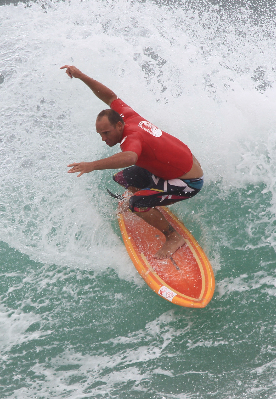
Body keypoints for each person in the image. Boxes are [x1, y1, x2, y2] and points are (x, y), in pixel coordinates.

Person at [62, 65, 204, 259]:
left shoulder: (132, 137)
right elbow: (110, 97)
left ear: (119, 126)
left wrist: (92, 165)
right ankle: (149, 202)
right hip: (175, 166)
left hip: (187, 181)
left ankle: (172, 236)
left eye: (106, 133)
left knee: (135, 203)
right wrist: (80, 76)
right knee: (123, 178)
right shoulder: (127, 116)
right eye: (100, 134)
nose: (104, 138)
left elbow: (130, 157)